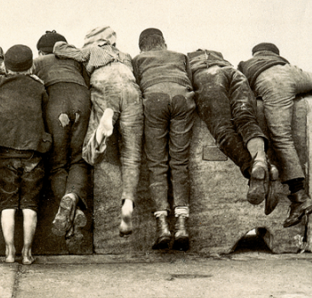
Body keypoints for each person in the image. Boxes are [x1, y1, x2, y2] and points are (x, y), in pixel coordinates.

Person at [238, 42, 312, 228]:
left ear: (255, 53)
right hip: (292, 75)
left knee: (281, 138)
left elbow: (238, 87)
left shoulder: (246, 64)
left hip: (270, 83)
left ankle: (300, 197)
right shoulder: (282, 62)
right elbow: (311, 76)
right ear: (275, 53)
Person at [54, 26, 143, 237]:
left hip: (104, 85)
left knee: (88, 153)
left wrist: (85, 47)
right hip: (131, 88)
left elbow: (60, 49)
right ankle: (127, 205)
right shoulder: (125, 56)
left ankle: (101, 135)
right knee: (132, 156)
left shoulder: (92, 50)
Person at [0, 44, 51, 265]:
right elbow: (44, 110)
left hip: (4, 152)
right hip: (32, 154)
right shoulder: (38, 87)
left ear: (6, 65)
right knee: (30, 206)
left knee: (8, 204)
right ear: (31, 66)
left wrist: (3, 70)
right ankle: (27, 253)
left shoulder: (0, 82)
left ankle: (9, 253)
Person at [188, 48, 279, 216]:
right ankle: (260, 159)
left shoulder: (187, 60)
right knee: (245, 118)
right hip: (233, 73)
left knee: (223, 129)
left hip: (207, 77)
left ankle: (252, 169)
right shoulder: (219, 55)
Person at [132, 28, 196, 249]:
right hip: (181, 98)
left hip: (154, 100)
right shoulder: (180, 56)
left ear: (142, 46)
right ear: (164, 42)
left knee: (157, 164)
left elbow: (136, 86)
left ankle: (162, 226)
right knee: (179, 163)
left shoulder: (138, 59)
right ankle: (181, 226)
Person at [34, 30, 90, 238]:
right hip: (81, 100)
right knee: (78, 160)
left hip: (55, 103)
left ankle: (66, 204)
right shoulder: (75, 63)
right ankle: (72, 197)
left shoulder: (38, 62)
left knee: (57, 165)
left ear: (40, 50)